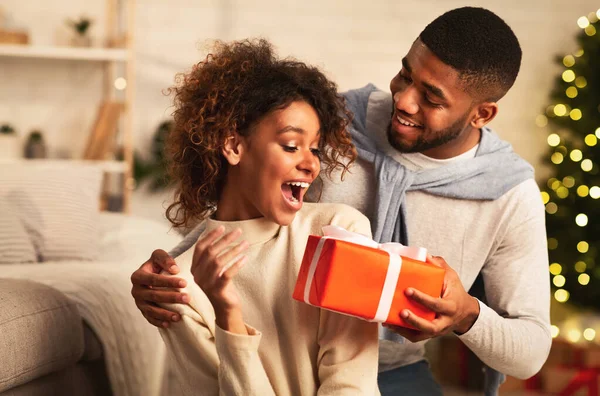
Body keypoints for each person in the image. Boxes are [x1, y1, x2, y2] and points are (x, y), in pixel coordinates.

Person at [131, 7, 551, 396]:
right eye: (405, 75)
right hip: (279, 355)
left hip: (396, 368)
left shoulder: (508, 194)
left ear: (481, 115)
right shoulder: (334, 121)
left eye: (431, 97)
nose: (404, 100)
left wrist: (466, 316)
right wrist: (165, 275)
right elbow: (244, 206)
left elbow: (530, 352)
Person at [148, 39, 380, 395]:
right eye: (291, 145)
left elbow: (353, 385)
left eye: (315, 148)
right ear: (234, 147)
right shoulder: (177, 288)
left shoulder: (341, 232)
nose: (311, 163)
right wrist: (227, 312)